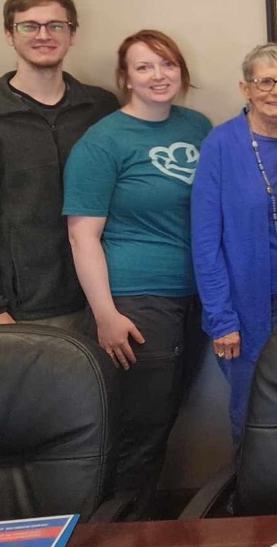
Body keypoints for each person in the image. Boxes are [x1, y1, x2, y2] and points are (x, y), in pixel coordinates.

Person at [63, 29, 211, 514]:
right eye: (144, 67)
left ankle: (141, 529)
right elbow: (82, 236)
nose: (158, 75)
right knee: (139, 432)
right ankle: (121, 536)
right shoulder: (103, 141)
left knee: (164, 417)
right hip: (136, 300)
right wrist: (105, 315)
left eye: (167, 64)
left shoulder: (197, 126)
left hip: (193, 298)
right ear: (125, 78)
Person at [0, 0, 117, 332]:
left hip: (111, 298)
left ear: (72, 34)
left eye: (56, 25)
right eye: (29, 26)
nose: (43, 35)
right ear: (9, 34)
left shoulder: (102, 108)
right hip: (25, 311)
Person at [191, 44, 277, 448]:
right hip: (245, 305)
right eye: (265, 82)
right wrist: (221, 318)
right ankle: (249, 483)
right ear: (245, 88)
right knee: (253, 409)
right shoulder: (221, 143)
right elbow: (205, 239)